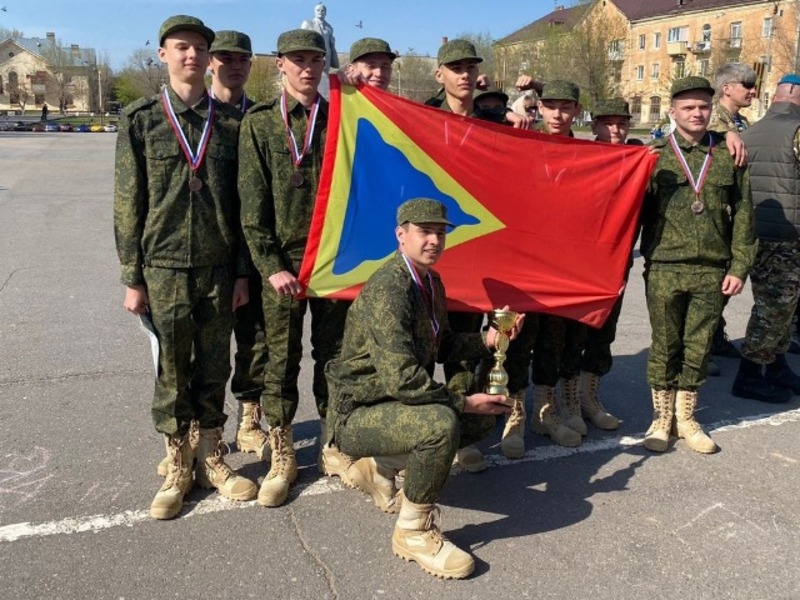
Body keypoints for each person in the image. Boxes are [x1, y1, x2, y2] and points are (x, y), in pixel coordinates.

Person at [325, 198, 522, 580]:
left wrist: (489, 339)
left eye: (440, 232)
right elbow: (403, 379)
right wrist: (465, 401)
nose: (434, 240)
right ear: (401, 235)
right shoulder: (390, 288)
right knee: (441, 426)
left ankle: (380, 466)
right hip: (359, 412)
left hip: (394, 404)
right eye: (424, 231)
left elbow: (441, 345)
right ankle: (412, 532)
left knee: (481, 422)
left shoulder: (430, 282)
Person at [114, 15, 257, 520]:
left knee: (215, 365)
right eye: (181, 47)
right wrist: (133, 277)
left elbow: (244, 206)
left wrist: (242, 271)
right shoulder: (141, 120)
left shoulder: (232, 124)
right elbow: (127, 203)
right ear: (163, 54)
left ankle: (211, 456)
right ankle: (178, 464)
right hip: (165, 267)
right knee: (172, 370)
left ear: (209, 57)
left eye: (199, 48)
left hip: (219, 266)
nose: (191, 55)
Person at [238, 29, 350, 507]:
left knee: (334, 356)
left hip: (331, 263)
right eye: (297, 59)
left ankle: (332, 441)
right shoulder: (261, 123)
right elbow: (251, 206)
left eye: (315, 60)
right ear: (280, 63)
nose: (307, 68)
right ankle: (282, 450)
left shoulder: (342, 117)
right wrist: (270, 266)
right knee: (280, 359)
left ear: (324, 65)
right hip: (283, 267)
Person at [640, 76, 757, 454]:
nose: (696, 113)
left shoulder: (728, 154)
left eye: (703, 106)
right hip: (665, 265)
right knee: (665, 345)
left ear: (712, 109)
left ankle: (687, 418)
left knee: (699, 346)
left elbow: (744, 214)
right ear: (672, 112)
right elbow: (632, 214)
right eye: (688, 107)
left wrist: (739, 266)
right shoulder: (654, 156)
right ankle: (661, 418)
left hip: (711, 268)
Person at [732, 74, 800, 403]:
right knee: (776, 308)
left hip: (757, 232)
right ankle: (749, 374)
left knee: (778, 305)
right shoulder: (796, 130)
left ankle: (776, 366)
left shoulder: (749, 132)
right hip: (788, 234)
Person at [706, 63, 759, 369]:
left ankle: (714, 336)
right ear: (727, 88)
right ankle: (701, 349)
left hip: (735, 210)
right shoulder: (714, 118)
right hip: (716, 214)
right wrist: (726, 133)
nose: (752, 91)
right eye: (746, 85)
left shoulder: (740, 122)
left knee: (724, 284)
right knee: (713, 286)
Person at [301, 3, 338, 98]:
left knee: (324, 79)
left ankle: (324, 99)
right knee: (313, 77)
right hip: (313, 56)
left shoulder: (329, 27)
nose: (320, 12)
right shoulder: (308, 23)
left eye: (322, 10)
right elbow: (301, 41)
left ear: (326, 12)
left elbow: (331, 44)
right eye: (318, 10)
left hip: (327, 56)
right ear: (314, 11)